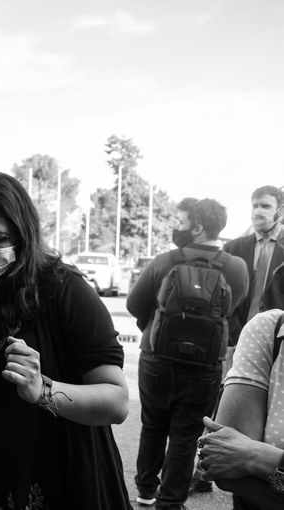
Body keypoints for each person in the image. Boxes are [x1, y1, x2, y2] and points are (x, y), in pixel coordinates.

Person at [0, 172, 132, 509]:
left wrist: (43, 391)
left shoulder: (63, 290)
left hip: (61, 482)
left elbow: (116, 402)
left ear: (23, 238)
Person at [127, 197, 248, 509]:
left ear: (196, 227)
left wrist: (156, 328)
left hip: (157, 360)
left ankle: (145, 490)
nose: (175, 227)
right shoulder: (235, 268)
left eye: (179, 221)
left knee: (153, 425)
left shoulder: (165, 261)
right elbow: (232, 310)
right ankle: (171, 501)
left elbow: (133, 305)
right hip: (204, 365)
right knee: (186, 434)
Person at [197, 309, 284, 510]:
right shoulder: (270, 329)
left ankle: (157, 493)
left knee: (164, 431)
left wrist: (255, 456)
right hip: (210, 355)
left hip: (176, 360)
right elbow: (228, 471)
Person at [224, 186, 284, 370]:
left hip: (277, 342)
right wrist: (237, 334)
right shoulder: (232, 249)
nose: (258, 211)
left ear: (280, 210)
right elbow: (225, 298)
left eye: (265, 206)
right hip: (236, 342)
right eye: (255, 206)